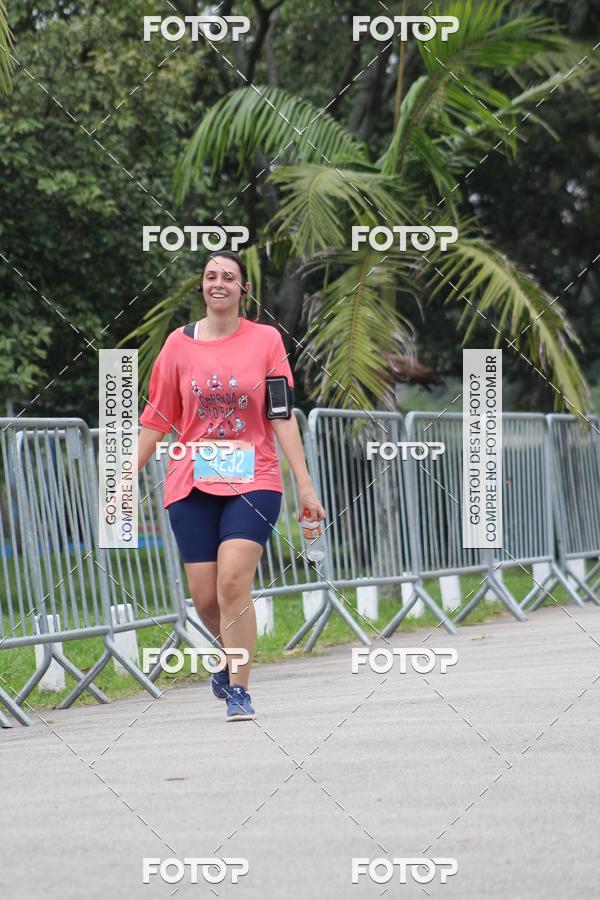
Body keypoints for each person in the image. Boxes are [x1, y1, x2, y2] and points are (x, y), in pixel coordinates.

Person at [137, 251, 326, 721]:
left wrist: (304, 485)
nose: (218, 283)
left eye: (229, 277)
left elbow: (281, 418)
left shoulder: (266, 340)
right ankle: (228, 655)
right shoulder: (177, 346)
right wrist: (122, 480)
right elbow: (157, 418)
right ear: (202, 287)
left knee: (232, 582)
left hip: (254, 477)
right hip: (192, 481)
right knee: (204, 597)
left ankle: (239, 688)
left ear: (243, 289)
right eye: (210, 276)